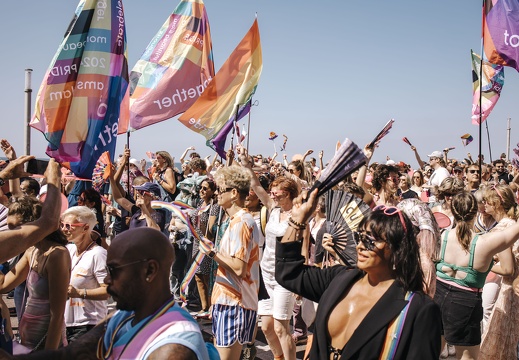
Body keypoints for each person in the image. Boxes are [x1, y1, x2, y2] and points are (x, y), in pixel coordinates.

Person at [276, 189, 441, 359]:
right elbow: (288, 273)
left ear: (397, 248)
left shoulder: (418, 310)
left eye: (370, 240)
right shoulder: (339, 279)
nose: (360, 246)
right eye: (359, 237)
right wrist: (297, 220)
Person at [0, 227, 212, 360]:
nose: (107, 281)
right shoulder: (125, 317)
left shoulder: (173, 348)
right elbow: (69, 354)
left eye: (114, 270)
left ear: (150, 270)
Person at [434, 191, 519, 359]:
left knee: (433, 349)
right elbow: (512, 234)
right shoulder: (484, 243)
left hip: (438, 296)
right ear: (476, 212)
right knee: (467, 356)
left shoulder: (442, 236)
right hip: (465, 303)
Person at [239, 146, 299, 360]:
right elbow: (255, 184)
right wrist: (246, 165)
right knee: (266, 327)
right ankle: (278, 357)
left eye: (277, 192)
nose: (272, 194)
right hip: (266, 273)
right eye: (272, 191)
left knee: (282, 328)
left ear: (289, 194)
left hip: (285, 276)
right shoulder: (273, 208)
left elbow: (304, 247)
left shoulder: (298, 215)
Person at [200, 165, 260, 360]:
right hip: (229, 301)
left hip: (235, 304)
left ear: (234, 193)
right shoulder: (236, 220)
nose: (216, 194)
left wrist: (212, 253)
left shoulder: (242, 222)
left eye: (220, 190)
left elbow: (239, 268)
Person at [0, 225, 70, 351]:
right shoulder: (32, 251)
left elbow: (57, 315)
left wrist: (49, 354)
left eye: (16, 229)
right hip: (27, 334)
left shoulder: (57, 254)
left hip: (47, 335)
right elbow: (3, 286)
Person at [61, 206, 108, 343]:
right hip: (65, 323)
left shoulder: (98, 254)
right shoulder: (68, 250)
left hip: (89, 325)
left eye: (69, 226)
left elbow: (108, 290)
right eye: (62, 225)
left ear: (86, 228)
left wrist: (79, 293)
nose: (64, 229)